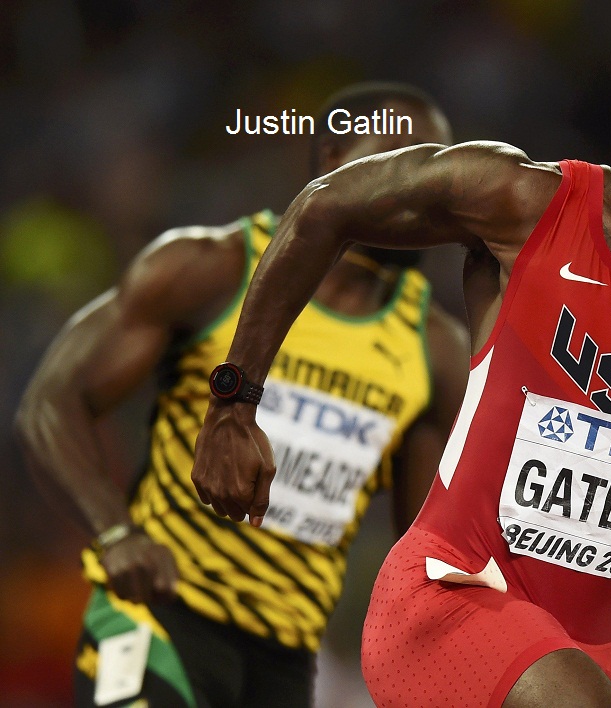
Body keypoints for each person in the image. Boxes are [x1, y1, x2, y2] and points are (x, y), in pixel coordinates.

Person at [190, 17, 611, 708]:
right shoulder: (525, 200)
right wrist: (234, 400)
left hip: (579, 654)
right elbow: (325, 206)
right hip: (451, 595)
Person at [16, 82, 469, 707]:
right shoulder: (212, 267)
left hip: (284, 663)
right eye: (405, 163)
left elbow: (417, 549)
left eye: (441, 171)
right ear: (336, 168)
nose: (429, 191)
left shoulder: (437, 349)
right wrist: (115, 532)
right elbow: (49, 403)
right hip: (161, 618)